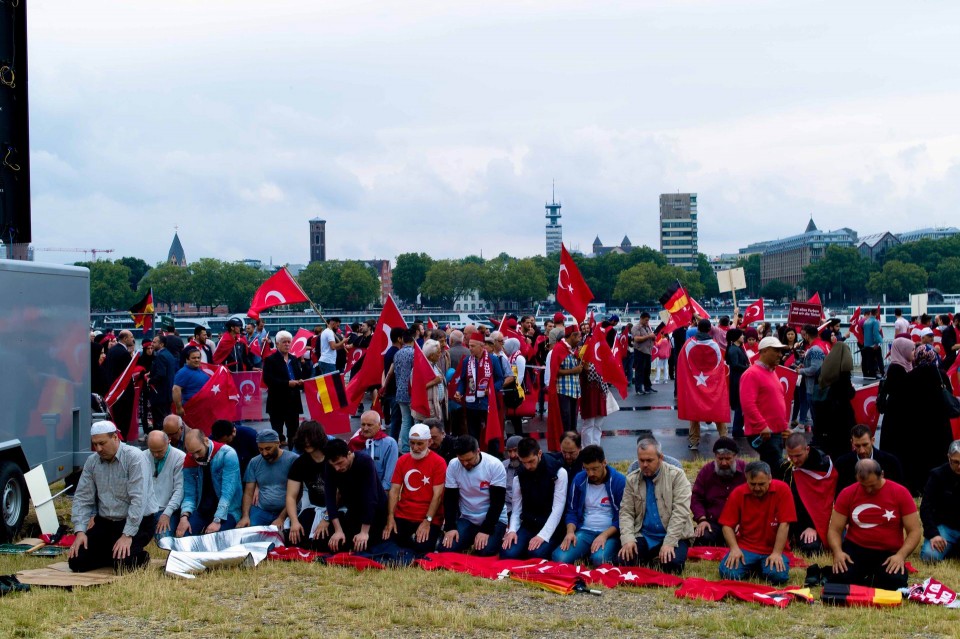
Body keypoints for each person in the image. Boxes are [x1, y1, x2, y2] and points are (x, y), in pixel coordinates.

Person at [68, 421, 153, 572]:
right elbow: (82, 498)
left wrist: (127, 535)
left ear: (115, 437)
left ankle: (139, 556)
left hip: (138, 521)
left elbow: (138, 499)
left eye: (102, 443)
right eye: (95, 444)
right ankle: (110, 553)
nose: (98, 449)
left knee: (123, 565)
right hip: (106, 521)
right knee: (76, 562)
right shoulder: (92, 461)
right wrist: (80, 531)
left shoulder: (134, 457)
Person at [828, 459, 921, 590]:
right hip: (856, 549)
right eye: (863, 485)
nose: (868, 490)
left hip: (888, 552)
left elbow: (915, 531)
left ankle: (869, 579)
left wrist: (900, 555)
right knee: (840, 578)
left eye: (872, 485)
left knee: (895, 582)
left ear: (882, 474)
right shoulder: (847, 493)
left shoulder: (900, 492)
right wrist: (838, 552)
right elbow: (834, 529)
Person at [881, 337, 954, 494]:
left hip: (917, 426)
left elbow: (906, 401)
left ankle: (919, 487)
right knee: (940, 457)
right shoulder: (940, 374)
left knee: (920, 459)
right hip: (940, 425)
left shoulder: (911, 376)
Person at [618, 438, 694, 574]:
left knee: (673, 566)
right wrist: (628, 539)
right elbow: (626, 512)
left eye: (649, 460)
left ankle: (657, 556)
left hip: (675, 535)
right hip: (645, 535)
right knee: (624, 561)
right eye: (641, 460)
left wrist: (669, 543)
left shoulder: (677, 475)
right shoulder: (632, 479)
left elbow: (680, 512)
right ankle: (653, 556)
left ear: (660, 458)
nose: (645, 464)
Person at [718, 461, 796, 585]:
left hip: (772, 549)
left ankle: (756, 567)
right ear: (746, 479)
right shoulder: (738, 493)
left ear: (770, 478)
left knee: (778, 577)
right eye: (752, 484)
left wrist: (777, 553)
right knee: (728, 574)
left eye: (761, 484)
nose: (757, 488)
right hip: (746, 548)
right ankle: (758, 567)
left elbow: (785, 524)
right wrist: (734, 549)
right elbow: (726, 525)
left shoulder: (783, 489)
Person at [553, 444, 625, 565]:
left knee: (599, 560)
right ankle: (585, 550)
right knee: (559, 558)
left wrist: (604, 535)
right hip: (585, 530)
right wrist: (570, 532)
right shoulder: (579, 479)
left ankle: (597, 551)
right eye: (586, 469)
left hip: (609, 533)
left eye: (594, 469)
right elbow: (571, 511)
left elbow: (623, 516)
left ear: (604, 463)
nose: (590, 473)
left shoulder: (619, 481)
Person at [382, 424, 447, 557]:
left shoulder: (439, 462)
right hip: (403, 514)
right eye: (412, 443)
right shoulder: (402, 460)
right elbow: (394, 490)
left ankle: (436, 536)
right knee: (386, 541)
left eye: (420, 444)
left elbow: (438, 495)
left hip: (427, 516)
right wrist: (390, 517)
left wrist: (428, 521)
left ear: (429, 442)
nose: (415, 448)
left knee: (421, 548)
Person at [439, 435, 508, 556]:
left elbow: (497, 502)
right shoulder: (453, 465)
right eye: (461, 460)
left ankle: (494, 536)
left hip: (495, 519)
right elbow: (450, 499)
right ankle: (470, 537)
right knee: (446, 548)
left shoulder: (494, 465)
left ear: (478, 451)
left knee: (484, 551)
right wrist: (450, 527)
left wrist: (486, 530)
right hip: (468, 518)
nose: (465, 463)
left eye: (469, 459)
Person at [501, 437, 568, 559]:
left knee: (535, 554)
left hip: (552, 526)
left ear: (539, 453)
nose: (527, 466)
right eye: (524, 462)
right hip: (529, 524)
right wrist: (512, 531)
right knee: (507, 553)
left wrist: (543, 536)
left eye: (531, 461)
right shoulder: (519, 475)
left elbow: (558, 508)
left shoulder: (558, 472)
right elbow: (516, 509)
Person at [324, 438, 388, 552]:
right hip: (354, 511)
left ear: (349, 454)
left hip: (375, 511)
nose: (337, 468)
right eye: (333, 465)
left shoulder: (364, 461)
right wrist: (338, 530)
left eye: (339, 463)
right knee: (335, 543)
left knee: (363, 546)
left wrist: (364, 532)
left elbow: (371, 498)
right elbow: (330, 498)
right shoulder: (331, 466)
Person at [176, 429, 242, 536]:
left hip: (228, 510)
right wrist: (184, 517)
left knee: (214, 537)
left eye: (198, 451)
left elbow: (227, 493)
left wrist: (217, 520)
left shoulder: (228, 454)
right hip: (202, 510)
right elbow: (189, 494)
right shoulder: (189, 460)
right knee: (185, 535)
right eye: (192, 453)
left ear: (206, 441)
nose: (196, 456)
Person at [740, 336, 790, 473]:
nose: (780, 354)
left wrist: (784, 427)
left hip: (774, 431)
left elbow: (776, 402)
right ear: (764, 351)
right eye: (776, 351)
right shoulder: (751, 374)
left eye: (781, 351)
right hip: (765, 432)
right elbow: (748, 404)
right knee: (774, 469)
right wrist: (761, 425)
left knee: (773, 468)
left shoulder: (771, 372)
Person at [782, 433, 833, 554]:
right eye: (790, 456)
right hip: (794, 518)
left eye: (798, 455)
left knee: (811, 549)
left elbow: (826, 502)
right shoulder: (786, 468)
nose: (794, 460)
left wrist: (813, 526)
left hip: (817, 521)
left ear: (807, 449)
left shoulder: (823, 466)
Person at [690, 437, 747, 546]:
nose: (724, 463)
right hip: (713, 522)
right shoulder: (706, 471)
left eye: (728, 458)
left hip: (739, 522)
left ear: (735, 456)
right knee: (703, 537)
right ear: (715, 456)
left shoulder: (746, 471)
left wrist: (745, 522)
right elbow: (696, 498)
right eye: (720, 459)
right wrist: (702, 520)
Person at [284, 421, 331, 550]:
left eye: (310, 438)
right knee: (294, 538)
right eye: (303, 439)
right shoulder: (300, 463)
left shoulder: (333, 458)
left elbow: (340, 494)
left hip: (336, 509)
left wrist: (326, 518)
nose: (307, 442)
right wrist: (294, 522)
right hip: (314, 507)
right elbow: (291, 496)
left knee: (322, 543)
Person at [237, 430, 299, 528]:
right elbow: (248, 493)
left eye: (268, 448)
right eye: (260, 449)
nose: (264, 453)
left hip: (288, 511)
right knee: (247, 530)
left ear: (278, 443)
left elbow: (297, 494)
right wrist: (245, 516)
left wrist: (281, 518)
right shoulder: (254, 462)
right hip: (262, 510)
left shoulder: (293, 460)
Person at [454, 333, 505, 447]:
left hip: (488, 403)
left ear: (481, 346)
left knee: (492, 434)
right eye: (469, 346)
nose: (470, 348)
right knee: (473, 434)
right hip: (472, 403)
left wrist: (491, 389)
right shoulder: (467, 360)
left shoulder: (493, 359)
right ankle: (475, 453)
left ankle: (494, 455)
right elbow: (463, 380)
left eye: (472, 346)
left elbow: (500, 379)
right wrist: (459, 391)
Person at [811, 341, 856, 460]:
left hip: (826, 416)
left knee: (831, 450)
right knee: (842, 451)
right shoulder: (843, 372)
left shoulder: (826, 367)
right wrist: (852, 389)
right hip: (842, 417)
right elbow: (848, 393)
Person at [263, 330, 307, 446]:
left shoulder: (294, 358)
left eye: (289, 342)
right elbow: (268, 380)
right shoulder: (270, 360)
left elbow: (298, 375)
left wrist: (301, 381)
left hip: (293, 401)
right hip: (277, 401)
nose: (287, 344)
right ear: (277, 344)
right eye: (284, 342)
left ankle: (293, 451)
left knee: (294, 431)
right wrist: (287, 383)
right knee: (277, 431)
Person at [919, 440, 960, 562]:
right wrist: (933, 534)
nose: (959, 466)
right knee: (929, 556)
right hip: (945, 527)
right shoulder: (937, 475)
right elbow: (926, 507)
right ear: (949, 457)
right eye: (956, 462)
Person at [142, 430, 186, 540]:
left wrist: (167, 514)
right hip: (145, 509)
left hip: (167, 509)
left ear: (168, 441)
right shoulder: (142, 456)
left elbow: (179, 490)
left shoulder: (180, 457)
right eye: (152, 451)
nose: (156, 455)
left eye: (160, 451)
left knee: (163, 538)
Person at [835, 425, 904, 493]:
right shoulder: (842, 464)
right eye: (857, 446)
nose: (862, 451)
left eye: (865, 445)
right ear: (852, 443)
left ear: (872, 440)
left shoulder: (890, 462)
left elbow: (899, 491)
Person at [348, 410, 399, 493]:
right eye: (363, 424)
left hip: (380, 491)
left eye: (369, 425)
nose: (365, 428)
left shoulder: (390, 444)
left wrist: (380, 494)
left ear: (379, 425)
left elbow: (389, 477)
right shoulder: (354, 442)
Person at [105, 330, 137, 435]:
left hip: (113, 390)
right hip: (124, 393)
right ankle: (123, 439)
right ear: (125, 338)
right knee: (124, 420)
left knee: (117, 419)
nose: (133, 339)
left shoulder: (112, 350)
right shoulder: (124, 353)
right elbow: (127, 375)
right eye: (131, 337)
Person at [797, 324, 827, 431]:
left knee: (816, 416)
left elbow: (815, 369)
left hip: (814, 387)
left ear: (807, 335)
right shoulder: (816, 347)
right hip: (812, 386)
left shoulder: (815, 349)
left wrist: (801, 371)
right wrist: (804, 366)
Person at [391, 330, 416, 451]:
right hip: (411, 392)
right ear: (413, 339)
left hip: (400, 391)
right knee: (415, 420)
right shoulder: (414, 353)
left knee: (405, 421)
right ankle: (415, 445)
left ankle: (405, 447)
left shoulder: (397, 353)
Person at [149, 334, 177, 430]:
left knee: (160, 420)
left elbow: (161, 374)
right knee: (166, 418)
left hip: (160, 394)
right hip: (167, 393)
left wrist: (150, 380)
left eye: (154, 342)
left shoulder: (160, 356)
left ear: (161, 344)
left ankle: (159, 437)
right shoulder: (169, 354)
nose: (152, 344)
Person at [725, 329, 749, 438]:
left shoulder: (737, 348)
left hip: (740, 378)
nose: (743, 337)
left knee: (741, 405)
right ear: (736, 337)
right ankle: (736, 429)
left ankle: (738, 428)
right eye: (741, 335)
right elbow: (735, 365)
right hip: (738, 379)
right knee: (740, 405)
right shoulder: (734, 349)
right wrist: (748, 368)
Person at [172, 347, 209, 418]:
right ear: (187, 359)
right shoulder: (183, 372)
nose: (197, 360)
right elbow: (176, 389)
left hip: (203, 408)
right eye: (193, 358)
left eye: (198, 358)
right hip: (192, 409)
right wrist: (179, 408)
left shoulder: (200, 370)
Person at [631, 312, 656, 394]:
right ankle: (638, 389)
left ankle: (647, 387)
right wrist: (649, 336)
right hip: (640, 351)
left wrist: (653, 337)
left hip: (648, 351)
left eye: (648, 320)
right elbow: (636, 339)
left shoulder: (647, 328)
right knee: (639, 370)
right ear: (641, 318)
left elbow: (650, 337)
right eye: (646, 320)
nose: (647, 322)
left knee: (647, 371)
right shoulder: (636, 327)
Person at [502, 435, 522, 516]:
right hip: (507, 510)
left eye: (515, 450)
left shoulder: (530, 466)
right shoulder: (502, 467)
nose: (512, 455)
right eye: (509, 451)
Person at [862, 308, 883, 379]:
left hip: (867, 344)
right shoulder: (875, 322)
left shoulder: (866, 322)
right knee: (879, 359)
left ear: (870, 313)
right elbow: (875, 333)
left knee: (869, 360)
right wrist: (877, 343)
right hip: (874, 344)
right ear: (876, 313)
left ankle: (870, 374)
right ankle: (882, 372)